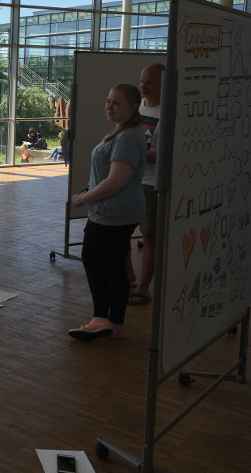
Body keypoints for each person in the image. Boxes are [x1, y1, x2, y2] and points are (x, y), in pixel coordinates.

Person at [69, 83, 147, 340]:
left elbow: (116, 181)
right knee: (98, 261)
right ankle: (106, 319)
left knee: (106, 265)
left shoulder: (127, 136)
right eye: (108, 101)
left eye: (116, 103)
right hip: (109, 212)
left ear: (133, 107)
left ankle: (109, 320)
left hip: (114, 213)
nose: (109, 106)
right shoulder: (121, 132)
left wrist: (83, 198)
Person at [129, 63, 165, 305]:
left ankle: (143, 287)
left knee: (149, 237)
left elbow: (167, 154)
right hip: (129, 179)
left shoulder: (170, 112)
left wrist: (137, 154)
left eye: (149, 81)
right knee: (119, 232)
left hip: (152, 184)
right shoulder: (137, 108)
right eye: (142, 80)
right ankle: (130, 279)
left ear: (163, 83)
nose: (143, 85)